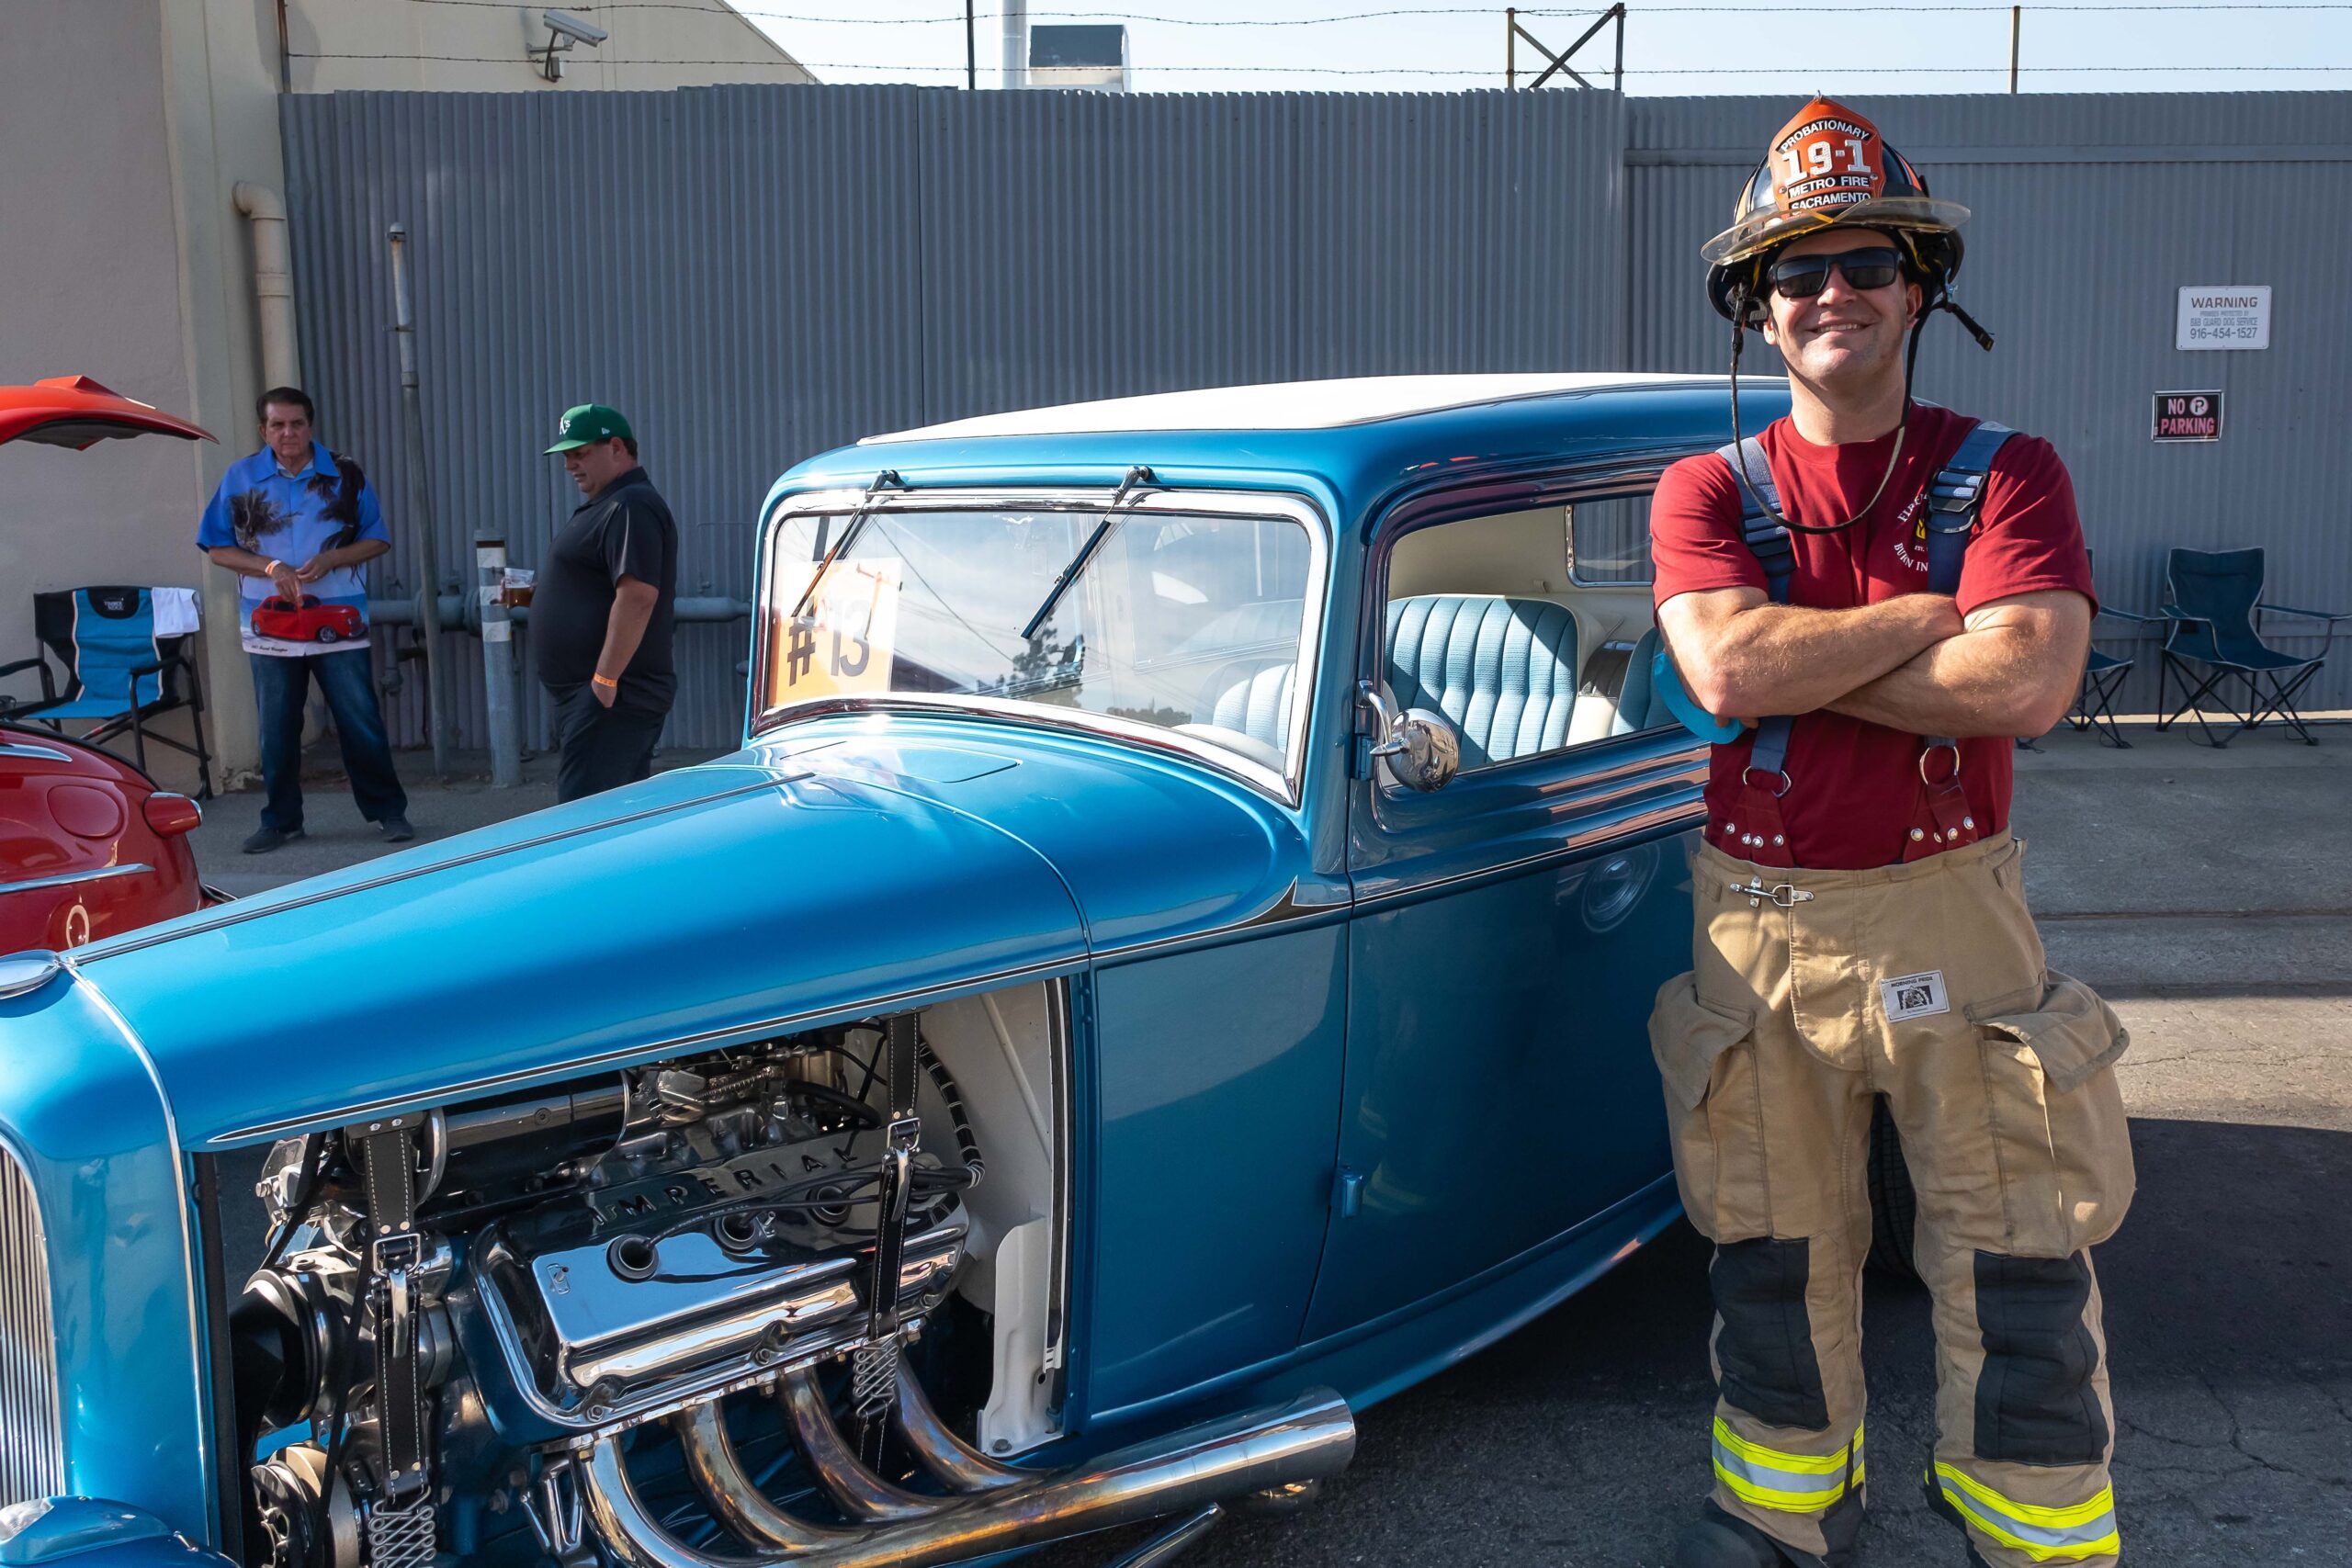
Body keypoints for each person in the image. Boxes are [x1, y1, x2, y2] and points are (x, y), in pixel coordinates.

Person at [1645, 99, 2129, 1568]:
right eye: (1796, 272)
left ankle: (2033, 1529)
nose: (1830, 292)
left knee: (2018, 1239)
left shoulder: (2010, 470)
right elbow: (1725, 673)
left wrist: (1821, 647)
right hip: (1762, 926)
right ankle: (1783, 1513)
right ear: (1759, 308)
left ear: (1919, 284)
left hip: (1951, 915)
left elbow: (2030, 682)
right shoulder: (1704, 488)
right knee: (1773, 1247)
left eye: (1863, 260)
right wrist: (1930, 616)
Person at [198, 386, 412, 852]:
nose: (288, 433)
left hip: (338, 621)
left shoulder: (346, 474)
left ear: (310, 426)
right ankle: (280, 821)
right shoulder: (240, 478)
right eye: (277, 425)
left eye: (296, 424)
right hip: (268, 626)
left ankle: (388, 813)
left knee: (361, 721)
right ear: (263, 430)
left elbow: (377, 540)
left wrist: (334, 560)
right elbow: (216, 547)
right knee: (276, 728)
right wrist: (270, 567)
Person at [537, 403, 677, 801]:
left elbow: (637, 597)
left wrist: (604, 682)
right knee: (615, 818)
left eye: (580, 453)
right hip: (600, 697)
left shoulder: (630, 504)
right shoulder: (611, 504)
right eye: (566, 456)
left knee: (586, 822)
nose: (569, 465)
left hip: (614, 696)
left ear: (616, 447)